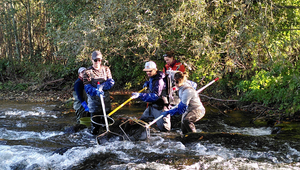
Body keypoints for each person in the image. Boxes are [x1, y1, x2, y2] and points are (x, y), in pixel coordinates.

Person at [132, 61, 170, 132]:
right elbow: (152, 85)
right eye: (146, 71)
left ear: (155, 69)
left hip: (160, 107)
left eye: (150, 71)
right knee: (142, 122)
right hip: (152, 106)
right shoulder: (153, 77)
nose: (148, 73)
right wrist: (148, 83)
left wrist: (140, 95)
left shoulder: (159, 80)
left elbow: (155, 96)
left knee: (164, 130)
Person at [82, 50, 115, 135]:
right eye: (95, 60)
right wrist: (96, 91)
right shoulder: (87, 72)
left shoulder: (106, 69)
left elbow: (111, 81)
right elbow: (87, 88)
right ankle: (94, 141)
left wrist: (102, 86)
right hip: (94, 103)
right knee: (95, 126)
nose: (97, 62)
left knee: (108, 123)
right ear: (92, 60)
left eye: (99, 60)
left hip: (105, 101)